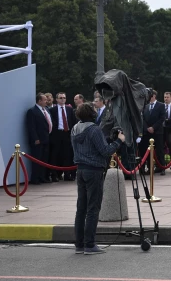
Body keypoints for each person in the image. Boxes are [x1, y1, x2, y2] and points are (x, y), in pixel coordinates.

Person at [71, 102, 124, 255]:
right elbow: (106, 151)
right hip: (93, 171)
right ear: (92, 114)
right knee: (93, 208)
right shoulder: (94, 130)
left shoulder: (75, 129)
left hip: (80, 170)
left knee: (81, 209)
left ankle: (79, 244)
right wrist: (119, 140)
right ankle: (90, 244)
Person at [49, 92, 76, 181]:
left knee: (67, 155)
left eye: (64, 98)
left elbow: (72, 121)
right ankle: (55, 175)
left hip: (67, 133)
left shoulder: (69, 109)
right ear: (56, 99)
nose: (62, 99)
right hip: (57, 134)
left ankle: (67, 175)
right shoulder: (52, 110)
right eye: (60, 98)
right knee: (55, 155)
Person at [26, 93, 52, 184]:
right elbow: (31, 127)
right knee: (37, 159)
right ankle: (35, 178)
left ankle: (42, 177)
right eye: (44, 100)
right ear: (39, 101)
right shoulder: (32, 111)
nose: (47, 101)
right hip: (38, 140)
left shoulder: (47, 110)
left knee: (44, 159)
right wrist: (35, 138)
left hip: (46, 139)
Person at [139, 89, 166, 175]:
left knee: (159, 150)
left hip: (157, 131)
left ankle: (161, 167)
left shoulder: (161, 105)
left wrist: (153, 127)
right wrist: (147, 128)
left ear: (154, 96)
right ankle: (148, 168)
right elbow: (142, 118)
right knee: (146, 150)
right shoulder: (145, 106)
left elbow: (162, 118)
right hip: (147, 132)